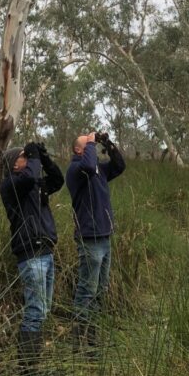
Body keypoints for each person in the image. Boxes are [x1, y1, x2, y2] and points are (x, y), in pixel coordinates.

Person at [0, 140, 64, 376]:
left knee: (42, 311)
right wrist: (34, 157)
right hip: (31, 256)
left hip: (46, 253)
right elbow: (29, 177)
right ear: (15, 163)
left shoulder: (34, 185)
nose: (28, 159)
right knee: (34, 313)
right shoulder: (11, 185)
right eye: (24, 156)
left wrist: (44, 156)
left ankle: (30, 372)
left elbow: (57, 179)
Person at [65, 131, 125, 351]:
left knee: (100, 290)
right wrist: (91, 142)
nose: (92, 146)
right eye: (87, 144)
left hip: (105, 237)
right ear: (78, 150)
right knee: (86, 290)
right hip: (89, 239)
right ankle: (78, 342)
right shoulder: (76, 170)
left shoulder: (99, 169)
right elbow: (89, 166)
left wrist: (106, 143)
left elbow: (119, 166)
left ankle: (92, 338)